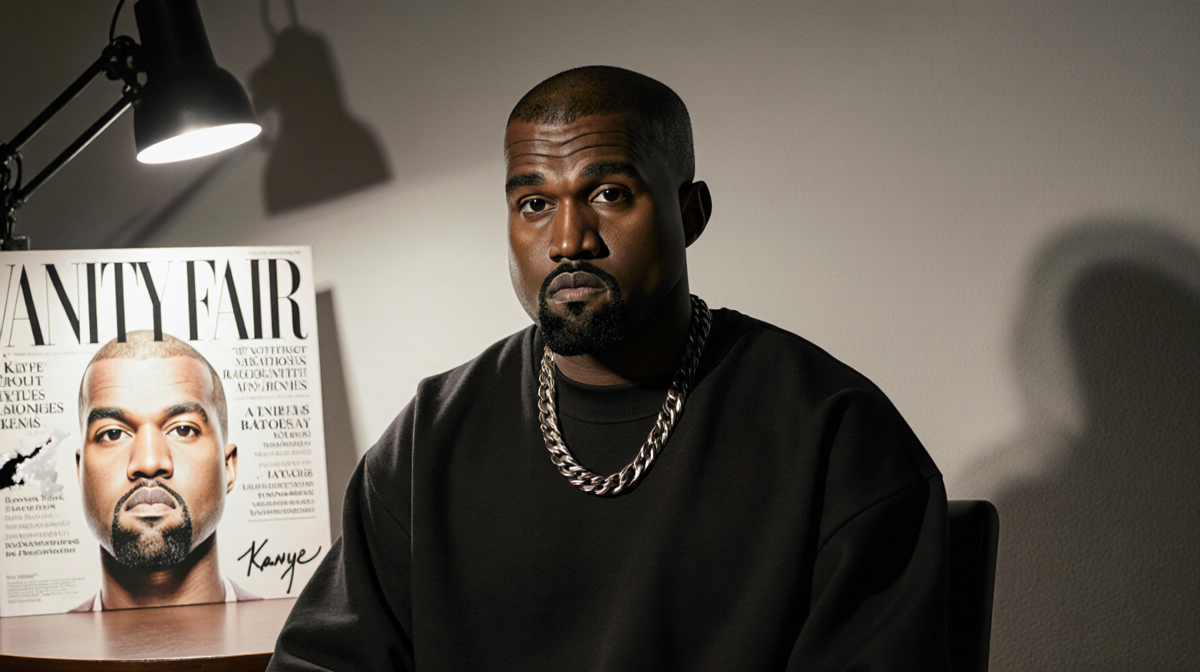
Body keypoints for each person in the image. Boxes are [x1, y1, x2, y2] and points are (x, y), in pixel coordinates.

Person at [270, 66, 949, 670]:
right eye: (534, 203)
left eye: (609, 194)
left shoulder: (830, 431)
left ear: (691, 214)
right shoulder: (430, 439)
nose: (569, 241)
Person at [73, 330, 258, 611]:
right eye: (112, 434)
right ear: (80, 473)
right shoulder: (27, 654)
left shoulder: (292, 645)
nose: (148, 462)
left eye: (183, 429)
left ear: (228, 466)